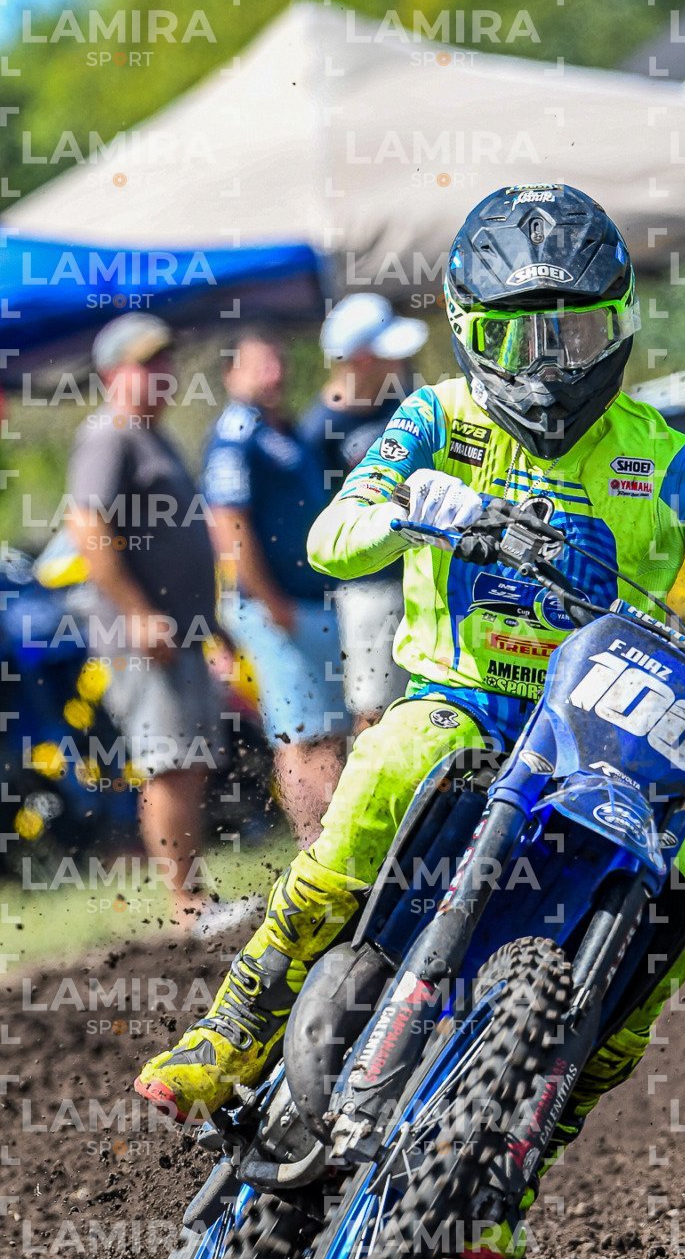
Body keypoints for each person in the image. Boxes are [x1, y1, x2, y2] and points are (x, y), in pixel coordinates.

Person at [136, 185, 685, 1259]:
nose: (549, 365)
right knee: (388, 769)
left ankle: (518, 1150)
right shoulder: (435, 419)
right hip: (460, 700)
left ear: (621, 326)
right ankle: (229, 1032)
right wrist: (413, 506)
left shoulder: (674, 463)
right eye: (520, 337)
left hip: (601, 735)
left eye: (577, 333)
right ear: (472, 331)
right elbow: (329, 539)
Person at [60, 312, 251, 936]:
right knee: (168, 763)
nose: (162, 373)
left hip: (181, 633)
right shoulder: (109, 435)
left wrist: (211, 624)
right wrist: (141, 616)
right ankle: (187, 908)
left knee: (190, 762)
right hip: (143, 639)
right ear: (112, 374)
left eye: (165, 360)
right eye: (146, 363)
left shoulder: (154, 436)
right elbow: (88, 527)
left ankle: (197, 901)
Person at [203, 332, 348, 844]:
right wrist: (271, 601)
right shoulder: (236, 433)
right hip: (276, 608)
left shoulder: (278, 428)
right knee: (302, 733)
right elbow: (228, 521)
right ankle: (315, 846)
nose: (275, 373)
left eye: (278, 361)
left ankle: (332, 845)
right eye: (260, 364)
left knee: (327, 729)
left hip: (307, 603)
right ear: (231, 373)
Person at [299, 295, 427, 730]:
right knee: (375, 708)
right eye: (387, 353)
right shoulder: (317, 430)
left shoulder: (404, 408)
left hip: (418, 574)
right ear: (361, 360)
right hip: (366, 589)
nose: (401, 361)